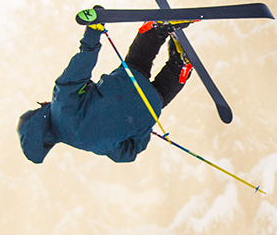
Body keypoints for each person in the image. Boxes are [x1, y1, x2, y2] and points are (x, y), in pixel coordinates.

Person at [18, 17, 193, 164]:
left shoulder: (88, 145)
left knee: (157, 98)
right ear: (37, 117)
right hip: (124, 85)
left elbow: (126, 155)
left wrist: (143, 131)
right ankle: (157, 29)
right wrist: (93, 32)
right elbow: (82, 64)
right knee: (137, 61)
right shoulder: (61, 102)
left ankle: (180, 65)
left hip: (147, 112)